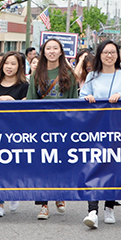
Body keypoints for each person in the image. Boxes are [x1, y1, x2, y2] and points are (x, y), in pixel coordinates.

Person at [79, 40, 121, 228]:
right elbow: (82, 96)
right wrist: (87, 98)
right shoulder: (92, 76)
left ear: (117, 55)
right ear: (99, 55)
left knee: (113, 166)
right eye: (105, 52)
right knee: (93, 166)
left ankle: (109, 206)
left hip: (118, 128)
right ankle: (92, 210)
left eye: (113, 52)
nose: (109, 55)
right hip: (95, 128)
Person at [27, 38, 78, 220]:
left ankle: (60, 194)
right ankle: (43, 204)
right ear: (44, 52)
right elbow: (31, 102)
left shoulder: (69, 74)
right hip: (42, 127)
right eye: (48, 48)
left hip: (62, 126)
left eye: (55, 48)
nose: (52, 51)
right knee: (42, 166)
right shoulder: (36, 74)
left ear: (61, 52)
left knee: (60, 163)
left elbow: (74, 103)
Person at [0, 50, 29, 216]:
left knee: (14, 165)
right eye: (6, 63)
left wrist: (14, 102)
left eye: (13, 63)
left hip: (17, 132)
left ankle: (14, 192)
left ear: (19, 67)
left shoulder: (25, 87)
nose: (9, 67)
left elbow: (27, 110)